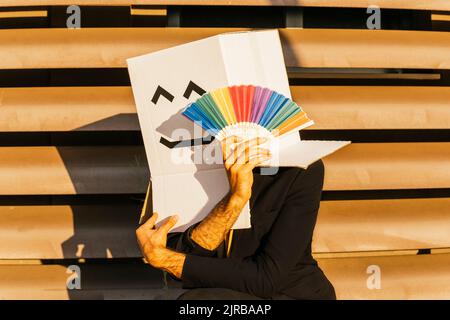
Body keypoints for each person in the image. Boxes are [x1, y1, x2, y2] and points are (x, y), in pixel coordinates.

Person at [136, 136, 336, 300]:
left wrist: (169, 260)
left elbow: (266, 279)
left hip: (293, 295)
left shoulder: (299, 169)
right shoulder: (181, 167)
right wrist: (234, 202)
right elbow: (183, 258)